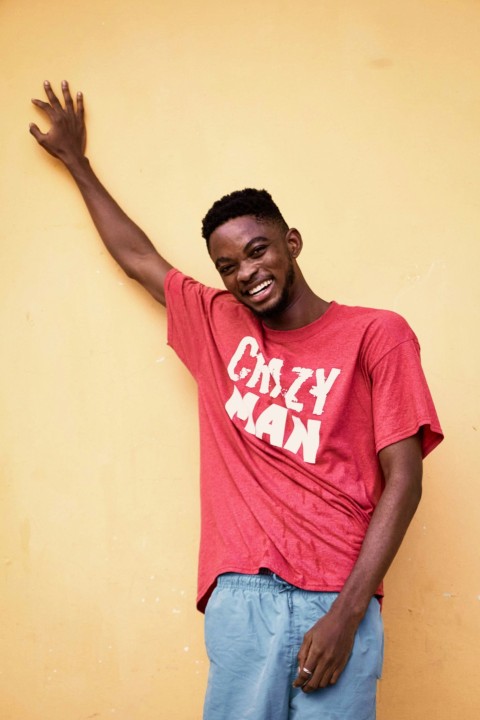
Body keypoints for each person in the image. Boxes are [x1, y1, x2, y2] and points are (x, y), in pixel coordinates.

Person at [30, 81, 443, 720]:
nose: (247, 273)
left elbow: (405, 479)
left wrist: (347, 614)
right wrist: (76, 162)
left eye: (258, 250)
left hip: (338, 594)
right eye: (229, 265)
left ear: (292, 242)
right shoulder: (218, 323)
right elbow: (139, 258)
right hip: (241, 598)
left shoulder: (375, 334)